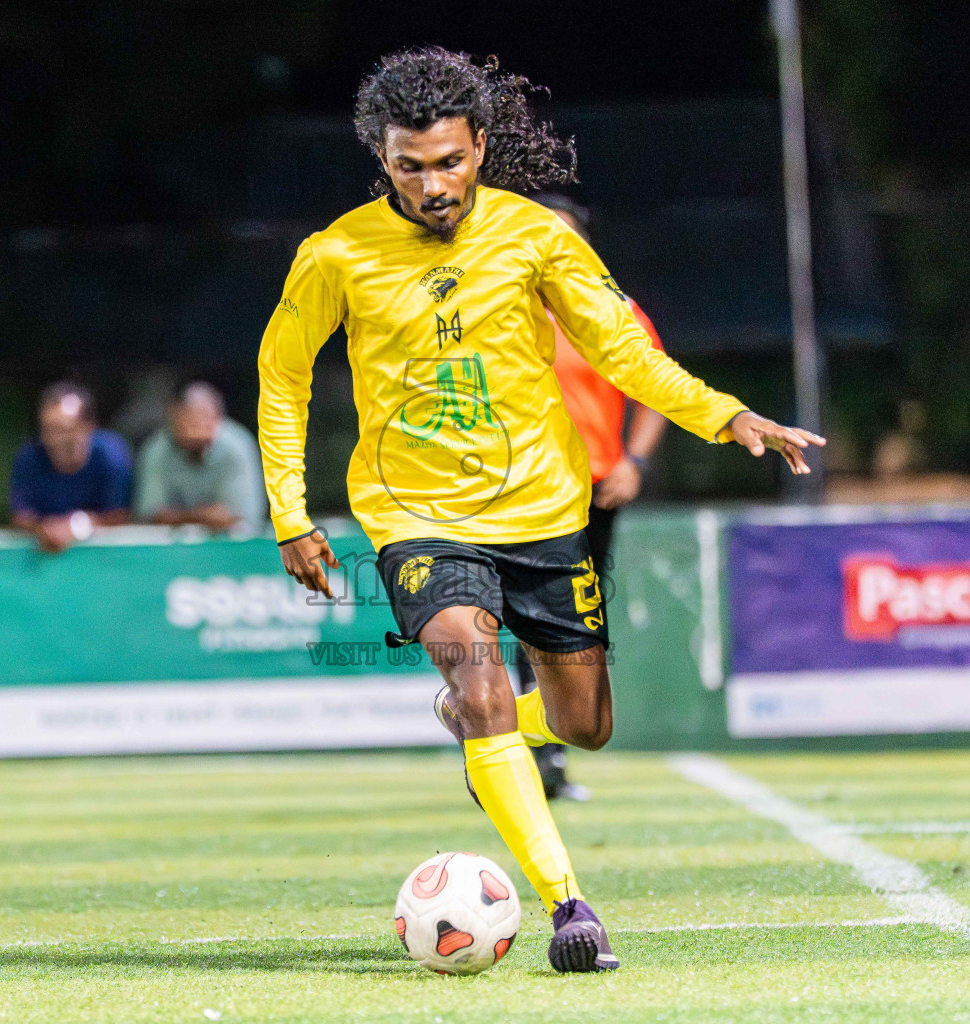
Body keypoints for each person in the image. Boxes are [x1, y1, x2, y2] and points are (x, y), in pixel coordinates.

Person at [257, 46, 823, 974]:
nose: (434, 185)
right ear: (382, 159)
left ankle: (473, 717)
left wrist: (726, 415)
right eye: (411, 165)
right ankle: (570, 906)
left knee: (585, 721)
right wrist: (291, 512)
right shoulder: (337, 254)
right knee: (487, 690)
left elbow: (627, 356)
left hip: (543, 513)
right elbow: (283, 381)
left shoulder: (539, 238)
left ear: (479, 143)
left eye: (449, 160)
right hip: (417, 514)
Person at [515, 192, 670, 802]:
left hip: (597, 489)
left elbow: (656, 388)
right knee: (519, 621)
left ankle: (548, 752)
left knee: (574, 625)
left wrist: (634, 461)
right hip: (520, 489)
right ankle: (526, 755)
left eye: (566, 234)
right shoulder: (497, 304)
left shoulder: (616, 310)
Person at [10, 381, 132, 553]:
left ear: (87, 427)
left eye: (64, 430)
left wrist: (76, 526)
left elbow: (118, 516)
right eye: (48, 430)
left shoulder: (111, 455)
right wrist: (45, 529)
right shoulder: (28, 458)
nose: (55, 440)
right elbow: (22, 517)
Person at [133, 379, 267, 534]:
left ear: (218, 417)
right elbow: (149, 516)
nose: (195, 427)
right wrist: (205, 516)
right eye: (187, 419)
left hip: (230, 547)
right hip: (173, 550)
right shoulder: (156, 450)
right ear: (173, 418)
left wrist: (177, 516)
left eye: (203, 417)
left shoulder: (237, 448)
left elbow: (243, 517)